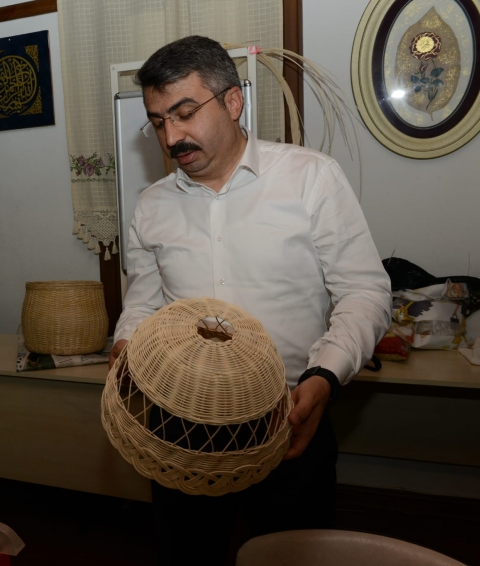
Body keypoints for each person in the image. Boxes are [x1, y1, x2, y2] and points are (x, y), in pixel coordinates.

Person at [108, 36, 391, 565]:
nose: (172, 136)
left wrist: (323, 377)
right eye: (158, 121)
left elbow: (365, 291)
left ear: (233, 102)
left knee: (292, 555)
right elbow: (145, 299)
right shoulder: (151, 206)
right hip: (181, 428)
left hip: (288, 419)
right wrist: (127, 343)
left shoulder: (310, 179)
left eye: (185, 113)